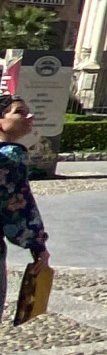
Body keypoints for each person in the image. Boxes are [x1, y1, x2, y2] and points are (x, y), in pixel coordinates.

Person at [0, 97, 52, 308]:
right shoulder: (10, 157)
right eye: (19, 112)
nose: (29, 116)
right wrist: (38, 246)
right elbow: (20, 208)